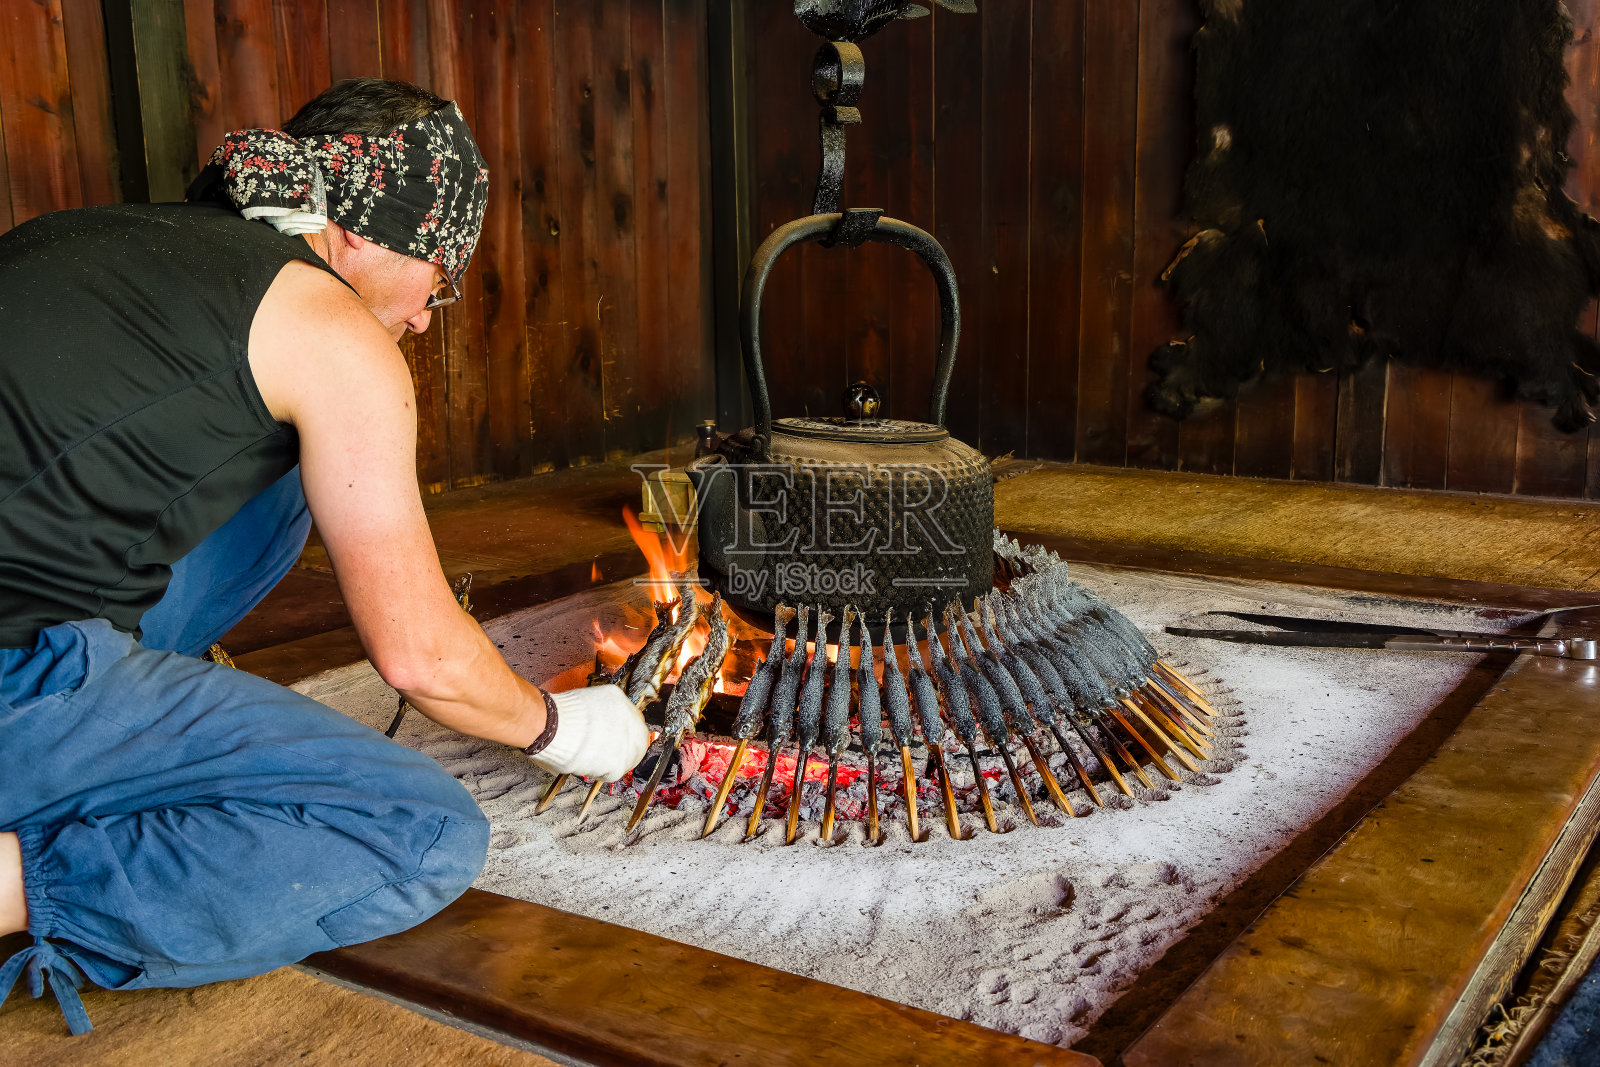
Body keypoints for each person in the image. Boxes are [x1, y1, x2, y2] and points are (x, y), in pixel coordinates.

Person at [0, 78, 650, 1034]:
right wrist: (563, 727)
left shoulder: (94, 240)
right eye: (440, 272)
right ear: (358, 235)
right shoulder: (332, 331)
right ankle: (16, 882)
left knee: (280, 483)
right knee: (421, 832)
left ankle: (113, 744)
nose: (431, 314)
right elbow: (422, 659)